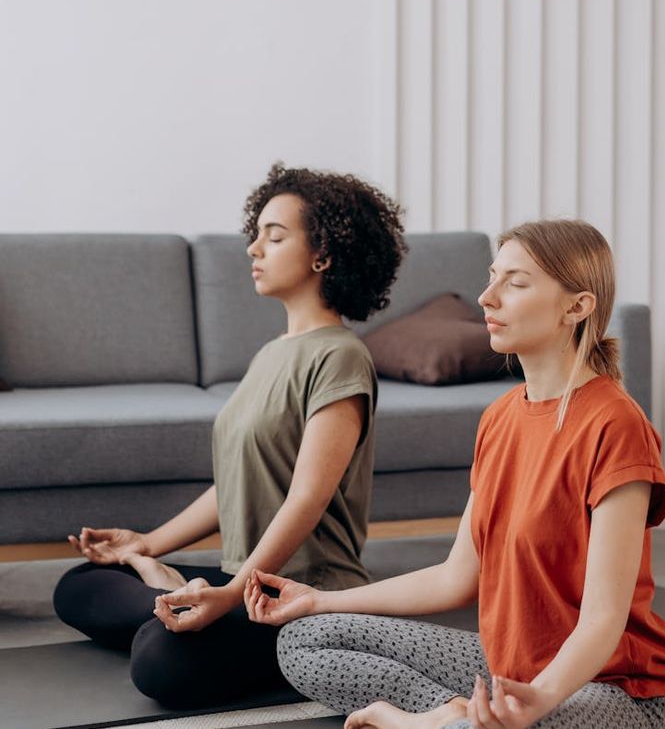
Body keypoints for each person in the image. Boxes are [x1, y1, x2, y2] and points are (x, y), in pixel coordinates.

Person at [243, 219, 665, 729]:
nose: (486, 298)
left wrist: (536, 701)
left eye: (514, 283)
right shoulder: (499, 419)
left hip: (611, 690)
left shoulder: (616, 424)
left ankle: (434, 722)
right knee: (305, 638)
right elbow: (456, 578)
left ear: (577, 306)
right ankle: (451, 717)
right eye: (492, 277)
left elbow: (604, 619)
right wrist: (320, 600)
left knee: (516, 725)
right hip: (507, 669)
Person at [53, 163, 406, 708]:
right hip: (241, 578)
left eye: (275, 234)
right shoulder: (270, 354)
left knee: (158, 662)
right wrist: (147, 544)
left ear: (324, 254)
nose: (253, 248)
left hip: (301, 589)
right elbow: (238, 483)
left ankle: (187, 607)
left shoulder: (340, 356)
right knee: (78, 584)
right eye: (256, 232)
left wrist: (233, 593)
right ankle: (175, 595)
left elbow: (307, 497)